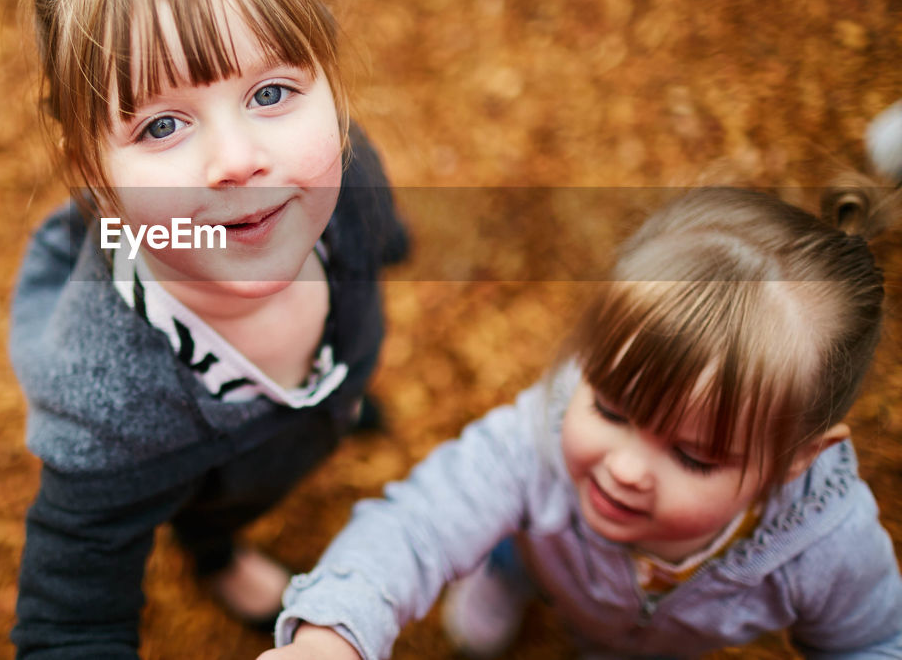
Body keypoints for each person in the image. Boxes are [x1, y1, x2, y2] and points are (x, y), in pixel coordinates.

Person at [8, 0, 407, 658]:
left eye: (271, 92)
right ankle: (216, 556)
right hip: (220, 484)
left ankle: (336, 401)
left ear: (332, 88)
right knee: (207, 510)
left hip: (319, 395)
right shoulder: (114, 409)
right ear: (90, 166)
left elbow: (384, 243)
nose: (237, 160)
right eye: (161, 124)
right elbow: (69, 621)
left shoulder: (345, 182)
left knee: (338, 396)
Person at [261, 185, 902, 659]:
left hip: (658, 637)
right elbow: (418, 525)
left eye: (694, 457)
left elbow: (872, 640)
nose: (622, 467)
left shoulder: (827, 545)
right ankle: (505, 580)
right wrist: (333, 634)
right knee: (511, 543)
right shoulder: (536, 441)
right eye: (610, 408)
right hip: (545, 560)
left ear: (796, 459)